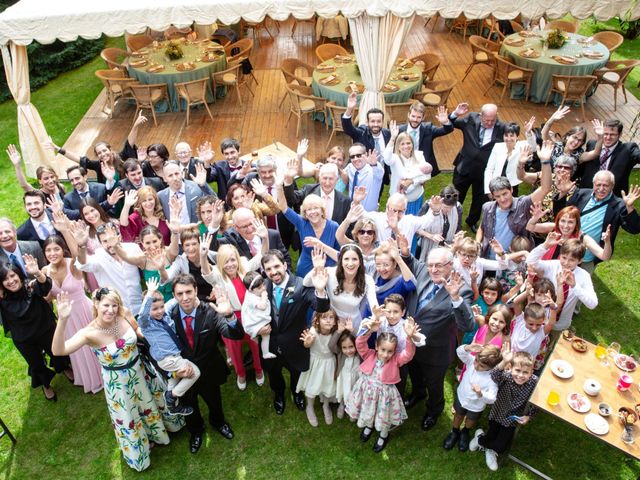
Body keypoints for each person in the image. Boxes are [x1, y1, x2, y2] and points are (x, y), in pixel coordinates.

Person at [51, 288, 180, 471]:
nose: (111, 310)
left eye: (114, 305)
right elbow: (58, 350)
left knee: (149, 403)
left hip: (140, 370)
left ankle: (159, 432)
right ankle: (140, 451)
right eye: (106, 305)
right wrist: (62, 320)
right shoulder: (88, 333)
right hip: (118, 383)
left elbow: (138, 330)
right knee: (129, 415)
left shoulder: (124, 313)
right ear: (96, 304)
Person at [168, 273, 246, 454]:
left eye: (189, 292)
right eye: (180, 294)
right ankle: (196, 432)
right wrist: (173, 373)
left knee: (214, 401)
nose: (185, 298)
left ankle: (218, 422)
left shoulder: (211, 311)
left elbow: (235, 335)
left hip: (209, 370)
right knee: (189, 407)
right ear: (174, 295)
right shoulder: (168, 317)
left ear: (196, 290)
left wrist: (229, 314)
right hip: (183, 375)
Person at [400, 247, 475, 431]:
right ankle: (418, 393)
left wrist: (455, 297)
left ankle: (434, 410)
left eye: (439, 266)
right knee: (415, 374)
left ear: (450, 266)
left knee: (434, 385)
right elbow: (412, 262)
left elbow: (468, 326)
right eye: (431, 265)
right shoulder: (424, 272)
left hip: (435, 352)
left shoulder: (461, 290)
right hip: (411, 345)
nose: (433, 270)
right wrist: (404, 251)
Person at [258, 249, 331, 415]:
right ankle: (278, 395)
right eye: (268, 269)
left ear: (285, 265)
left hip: (295, 343)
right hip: (270, 343)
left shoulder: (300, 285)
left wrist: (320, 290)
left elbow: (321, 307)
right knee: (274, 375)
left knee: (296, 373)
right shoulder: (262, 286)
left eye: (277, 266)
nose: (273, 272)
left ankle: (297, 393)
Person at [0, 257, 73, 401]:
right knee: (36, 363)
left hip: (45, 328)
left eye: (13, 275)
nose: (11, 281)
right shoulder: (2, 298)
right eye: (5, 279)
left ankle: (64, 367)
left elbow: (45, 287)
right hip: (24, 339)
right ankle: (45, 384)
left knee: (56, 351)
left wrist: (37, 273)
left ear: (19, 275)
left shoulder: (32, 286)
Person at [201, 238, 267, 391]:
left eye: (232, 260)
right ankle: (241, 373)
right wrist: (203, 256)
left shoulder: (244, 265)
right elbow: (206, 273)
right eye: (225, 261)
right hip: (230, 317)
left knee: (254, 345)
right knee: (234, 350)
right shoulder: (217, 275)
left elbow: (260, 257)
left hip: (250, 316)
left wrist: (264, 238)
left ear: (237, 259)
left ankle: (258, 369)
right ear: (220, 264)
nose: (230, 264)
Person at [42, 235, 103, 394]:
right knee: (78, 348)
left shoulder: (72, 264)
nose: (52, 253)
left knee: (95, 342)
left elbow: (77, 255)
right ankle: (90, 376)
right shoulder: (45, 271)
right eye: (48, 250)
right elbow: (47, 296)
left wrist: (65, 230)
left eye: (56, 249)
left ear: (63, 250)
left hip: (83, 310)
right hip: (66, 317)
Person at [345, 323, 419, 453]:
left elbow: (408, 354)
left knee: (383, 416)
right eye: (383, 350)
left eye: (390, 351)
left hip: (385, 396)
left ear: (394, 351)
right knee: (368, 410)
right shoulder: (369, 355)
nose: (385, 355)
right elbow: (359, 343)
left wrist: (409, 338)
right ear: (376, 347)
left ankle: (383, 435)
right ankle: (369, 426)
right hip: (367, 393)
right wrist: (369, 330)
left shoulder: (396, 360)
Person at [477, 141, 553, 259]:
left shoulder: (523, 204)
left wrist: (545, 162)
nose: (502, 199)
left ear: (511, 190)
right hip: (490, 260)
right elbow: (482, 227)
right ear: (492, 196)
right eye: (497, 196)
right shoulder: (487, 207)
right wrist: (478, 243)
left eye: (505, 194)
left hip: (515, 261)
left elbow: (545, 188)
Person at [553, 171, 640, 272]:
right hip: (565, 250)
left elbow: (634, 229)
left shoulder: (618, 205)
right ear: (593, 184)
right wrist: (562, 194)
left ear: (612, 186)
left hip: (587, 257)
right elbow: (560, 215)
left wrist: (629, 207)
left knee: (579, 285)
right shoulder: (581, 194)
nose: (601, 189)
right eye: (598, 184)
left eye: (605, 185)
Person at [137, 277, 199, 415]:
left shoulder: (164, 316)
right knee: (195, 372)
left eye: (161, 307)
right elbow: (141, 315)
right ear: (148, 309)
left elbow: (172, 302)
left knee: (174, 381)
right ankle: (172, 396)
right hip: (168, 359)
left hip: (173, 357)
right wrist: (150, 293)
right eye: (154, 309)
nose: (159, 311)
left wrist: (194, 299)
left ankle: (173, 405)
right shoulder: (147, 324)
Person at [469, 350, 538, 472]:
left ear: (532, 372)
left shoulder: (534, 383)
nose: (520, 375)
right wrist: (505, 361)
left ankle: (488, 446)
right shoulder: (507, 376)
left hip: (512, 418)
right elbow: (494, 374)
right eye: (517, 370)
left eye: (525, 372)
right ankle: (480, 439)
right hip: (497, 413)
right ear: (511, 368)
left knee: (500, 446)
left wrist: (528, 416)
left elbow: (536, 402)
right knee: (491, 435)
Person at [45, 111, 146, 184]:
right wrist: (59, 149)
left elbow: (130, 142)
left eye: (104, 150)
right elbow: (79, 159)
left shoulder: (121, 157)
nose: (103, 154)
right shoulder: (99, 165)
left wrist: (135, 125)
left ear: (110, 149)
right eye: (99, 153)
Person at [449, 102, 505, 232]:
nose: (490, 123)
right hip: (465, 166)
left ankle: (472, 221)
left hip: (484, 170)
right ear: (481, 116)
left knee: (479, 198)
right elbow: (452, 122)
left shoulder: (501, 127)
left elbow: (514, 132)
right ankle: (452, 219)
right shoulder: (471, 119)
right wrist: (456, 113)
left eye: (493, 120)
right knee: (456, 195)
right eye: (487, 120)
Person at [526, 236, 597, 332]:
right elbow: (530, 261)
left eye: (572, 260)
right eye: (564, 257)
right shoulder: (553, 265)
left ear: (580, 261)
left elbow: (592, 304)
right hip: (540, 322)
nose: (566, 263)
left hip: (561, 324)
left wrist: (575, 286)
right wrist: (545, 245)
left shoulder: (584, 276)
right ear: (560, 255)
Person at [74, 221, 145, 313]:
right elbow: (83, 264)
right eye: (105, 241)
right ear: (100, 243)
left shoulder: (133, 248)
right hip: (116, 312)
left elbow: (145, 266)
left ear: (119, 236)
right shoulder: (98, 256)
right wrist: (81, 246)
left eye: (111, 238)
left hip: (140, 307)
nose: (110, 244)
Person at [305, 245, 378, 333]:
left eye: (354, 259)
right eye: (346, 259)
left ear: (360, 262)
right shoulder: (330, 273)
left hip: (352, 324)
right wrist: (317, 268)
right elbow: (306, 282)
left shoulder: (367, 280)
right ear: (341, 261)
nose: (350, 263)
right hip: (331, 322)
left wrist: (376, 316)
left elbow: (374, 304)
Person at [442, 344, 501, 452]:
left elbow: (492, 398)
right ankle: (454, 431)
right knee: (458, 415)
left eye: (482, 366)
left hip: (476, 405)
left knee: (471, 419)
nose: (476, 365)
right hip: (462, 397)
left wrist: (481, 393)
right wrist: (468, 348)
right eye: (477, 360)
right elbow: (460, 352)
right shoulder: (471, 362)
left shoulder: (492, 378)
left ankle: (465, 432)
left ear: (491, 368)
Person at [277, 183, 340, 278]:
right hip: (305, 271)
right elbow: (284, 208)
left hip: (327, 271)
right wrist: (279, 187)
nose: (313, 212)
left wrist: (319, 244)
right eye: (309, 209)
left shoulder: (333, 226)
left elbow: (339, 255)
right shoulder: (302, 222)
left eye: (316, 208)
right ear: (305, 213)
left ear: (322, 210)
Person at [341, 91, 392, 197]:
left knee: (376, 198)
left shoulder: (387, 134)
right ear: (367, 122)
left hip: (379, 175)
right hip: (361, 176)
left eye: (378, 121)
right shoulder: (361, 133)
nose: (376, 124)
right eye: (372, 121)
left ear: (383, 122)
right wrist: (350, 109)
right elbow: (348, 129)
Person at [297, 310, 340, 426]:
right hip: (315, 364)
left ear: (335, 321)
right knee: (312, 386)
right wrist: (307, 342)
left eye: (331, 317)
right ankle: (309, 407)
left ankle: (326, 405)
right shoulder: (313, 332)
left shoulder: (335, 333)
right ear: (317, 320)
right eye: (324, 317)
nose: (328, 320)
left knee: (328, 385)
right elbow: (307, 344)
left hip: (329, 363)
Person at [526, 204, 612, 261]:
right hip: (543, 271)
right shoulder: (553, 228)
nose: (566, 226)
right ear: (558, 221)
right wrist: (535, 218)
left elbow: (604, 257)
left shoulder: (582, 237)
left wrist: (607, 242)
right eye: (563, 221)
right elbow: (530, 227)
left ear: (576, 224)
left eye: (570, 222)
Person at [580, 118, 640, 196]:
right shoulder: (592, 145)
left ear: (620, 134)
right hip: (588, 195)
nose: (608, 138)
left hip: (613, 199)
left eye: (612, 134)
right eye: (605, 134)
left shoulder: (628, 149)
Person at [384, 121, 433, 214]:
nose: (406, 146)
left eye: (408, 143)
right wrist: (393, 138)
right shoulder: (394, 158)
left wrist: (411, 181)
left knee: (413, 223)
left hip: (417, 197)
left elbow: (427, 175)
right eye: (402, 144)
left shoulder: (419, 155)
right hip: (399, 200)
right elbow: (386, 157)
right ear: (398, 147)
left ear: (412, 144)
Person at [284, 162, 351, 225]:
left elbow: (348, 226)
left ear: (337, 180)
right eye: (324, 178)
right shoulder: (308, 190)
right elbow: (291, 199)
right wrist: (289, 180)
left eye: (331, 179)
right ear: (319, 178)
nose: (327, 183)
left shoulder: (345, 201)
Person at [398, 103, 455, 177]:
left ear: (423, 117)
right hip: (405, 162)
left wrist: (445, 122)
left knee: (420, 184)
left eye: (419, 117)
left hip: (422, 163)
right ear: (408, 115)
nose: (415, 120)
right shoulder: (400, 129)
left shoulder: (428, 128)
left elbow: (446, 130)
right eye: (413, 116)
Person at [483, 119, 535, 197]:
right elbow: (489, 169)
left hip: (512, 186)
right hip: (495, 185)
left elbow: (533, 147)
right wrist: (488, 190)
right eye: (506, 135)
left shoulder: (522, 146)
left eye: (511, 136)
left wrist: (529, 133)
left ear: (517, 136)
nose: (508, 139)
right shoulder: (497, 147)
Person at [538, 106, 603, 168]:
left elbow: (596, 153)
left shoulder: (579, 155)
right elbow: (543, 134)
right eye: (575, 137)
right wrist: (552, 119)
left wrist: (600, 137)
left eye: (580, 140)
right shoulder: (557, 146)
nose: (576, 142)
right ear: (567, 136)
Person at [416, 186, 463, 263]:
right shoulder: (428, 206)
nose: (447, 210)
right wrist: (431, 236)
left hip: (447, 247)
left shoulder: (458, 207)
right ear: (440, 201)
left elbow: (458, 228)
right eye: (445, 207)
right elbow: (416, 228)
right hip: (426, 247)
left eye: (450, 208)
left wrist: (458, 237)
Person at [241, 271, 277, 360]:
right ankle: (265, 352)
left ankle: (262, 348)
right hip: (254, 324)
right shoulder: (251, 298)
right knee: (266, 334)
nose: (263, 288)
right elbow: (262, 306)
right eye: (260, 288)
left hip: (256, 320)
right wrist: (264, 296)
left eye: (263, 285)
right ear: (250, 290)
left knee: (265, 335)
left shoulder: (254, 292)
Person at [344, 144, 384, 212]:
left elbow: (379, 173)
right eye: (352, 156)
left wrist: (373, 164)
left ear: (365, 154)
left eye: (359, 155)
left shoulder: (373, 169)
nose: (355, 159)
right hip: (351, 211)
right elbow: (339, 173)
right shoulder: (350, 167)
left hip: (368, 215)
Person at [331, 329, 360, 419]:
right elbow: (331, 345)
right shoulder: (341, 354)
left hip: (355, 380)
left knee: (354, 395)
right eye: (344, 347)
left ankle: (353, 410)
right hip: (344, 379)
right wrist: (338, 331)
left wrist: (352, 331)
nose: (348, 351)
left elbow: (360, 340)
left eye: (351, 346)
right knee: (344, 392)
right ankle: (342, 404)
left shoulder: (359, 354)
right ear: (341, 347)